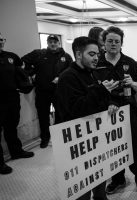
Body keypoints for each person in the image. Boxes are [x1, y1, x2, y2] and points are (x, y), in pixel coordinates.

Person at [55, 36, 119, 200]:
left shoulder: (93, 73)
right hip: (77, 142)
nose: (96, 58)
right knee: (82, 189)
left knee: (99, 179)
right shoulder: (67, 77)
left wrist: (110, 103)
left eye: (98, 54)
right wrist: (101, 91)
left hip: (95, 139)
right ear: (78, 54)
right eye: (91, 54)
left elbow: (102, 98)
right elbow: (77, 110)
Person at [93, 26, 137, 196]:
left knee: (134, 147)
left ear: (121, 43)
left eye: (117, 41)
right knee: (112, 149)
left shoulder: (130, 62)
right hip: (106, 113)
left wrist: (132, 83)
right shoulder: (97, 64)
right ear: (104, 43)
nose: (113, 44)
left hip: (128, 110)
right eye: (110, 41)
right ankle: (117, 180)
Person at [22, 34, 73, 148]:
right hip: (42, 91)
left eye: (55, 42)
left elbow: (71, 70)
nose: (53, 44)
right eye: (51, 42)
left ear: (59, 43)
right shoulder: (39, 54)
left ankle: (59, 136)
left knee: (61, 114)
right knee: (43, 116)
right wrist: (31, 73)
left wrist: (61, 78)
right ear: (47, 43)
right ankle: (45, 138)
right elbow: (22, 62)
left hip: (59, 91)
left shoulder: (66, 56)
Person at [0, 33, 34, 175]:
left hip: (12, 97)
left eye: (1, 39)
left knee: (11, 126)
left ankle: (16, 151)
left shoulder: (11, 56)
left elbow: (22, 71)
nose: (0, 41)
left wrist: (30, 78)